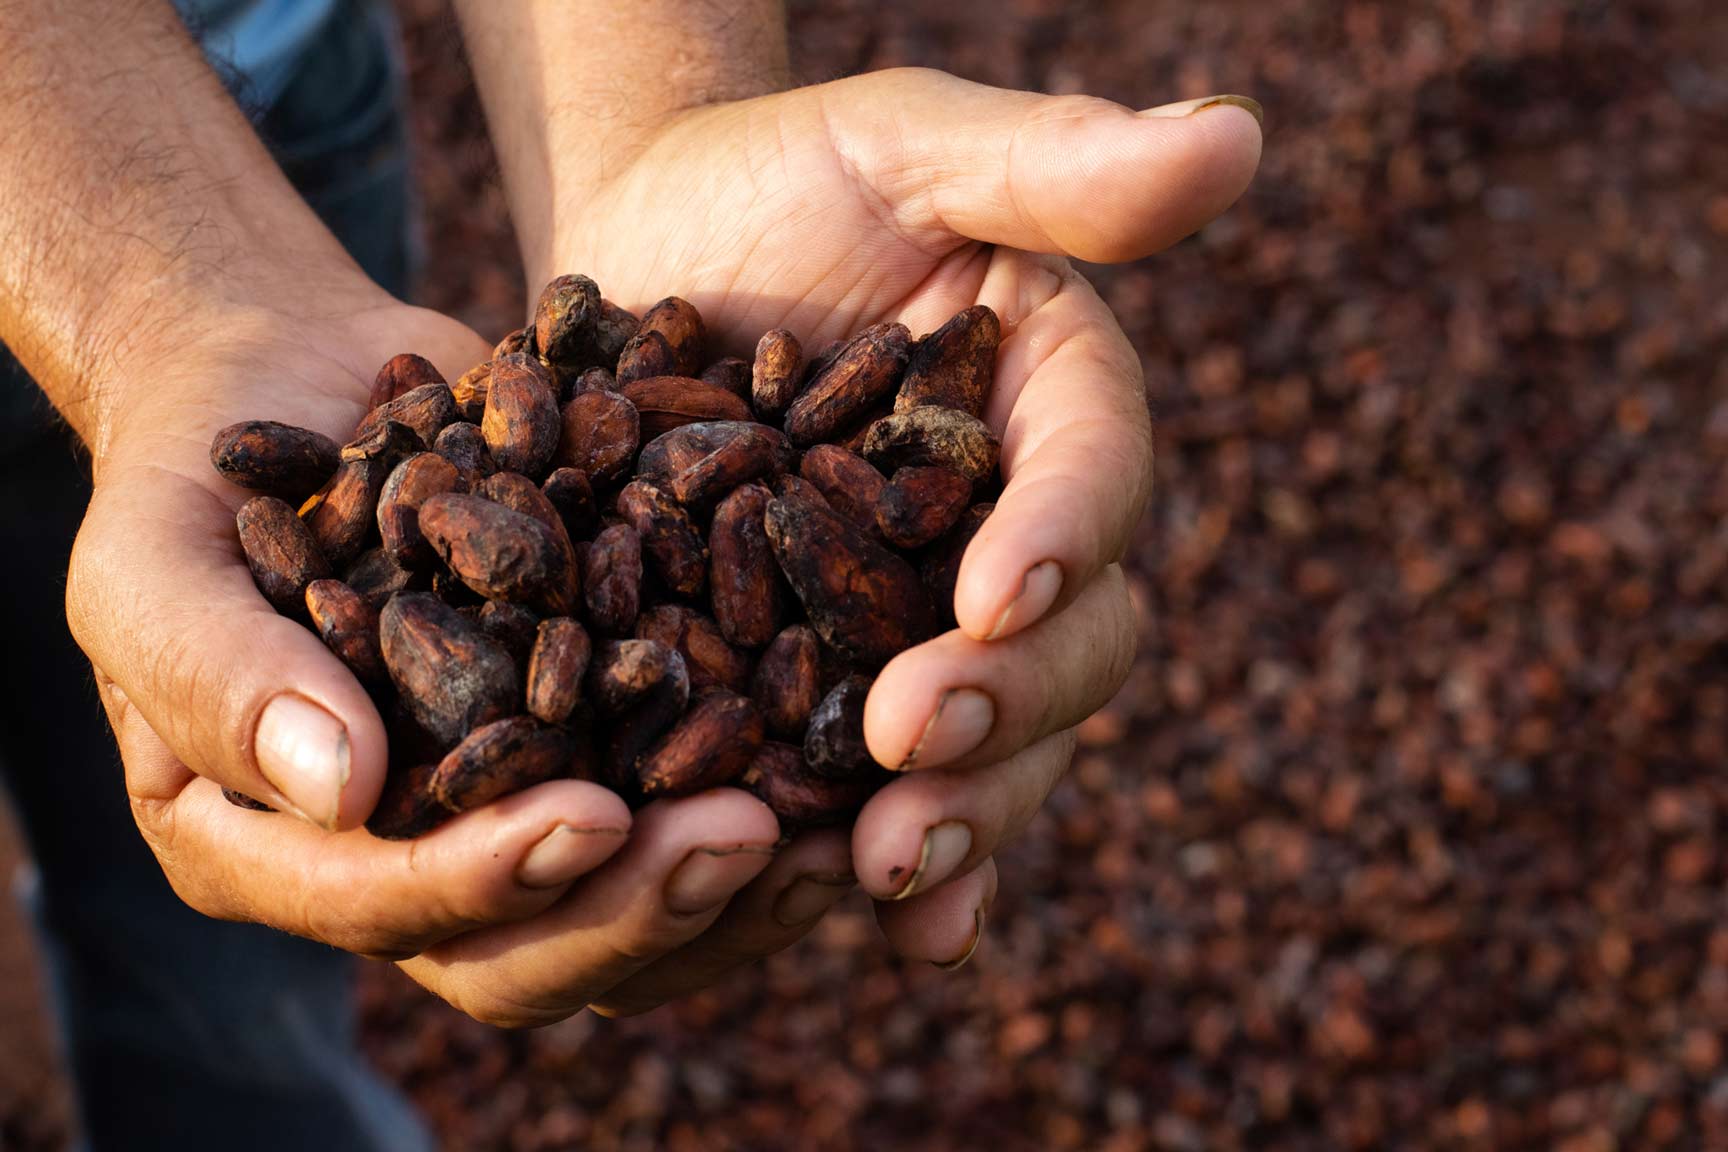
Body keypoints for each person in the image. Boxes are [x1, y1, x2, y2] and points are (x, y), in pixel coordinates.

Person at [0, 0, 1262, 1146]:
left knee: (223, 986)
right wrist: (143, 295)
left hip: (265, 84)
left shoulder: (629, 513)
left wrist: (650, 122)